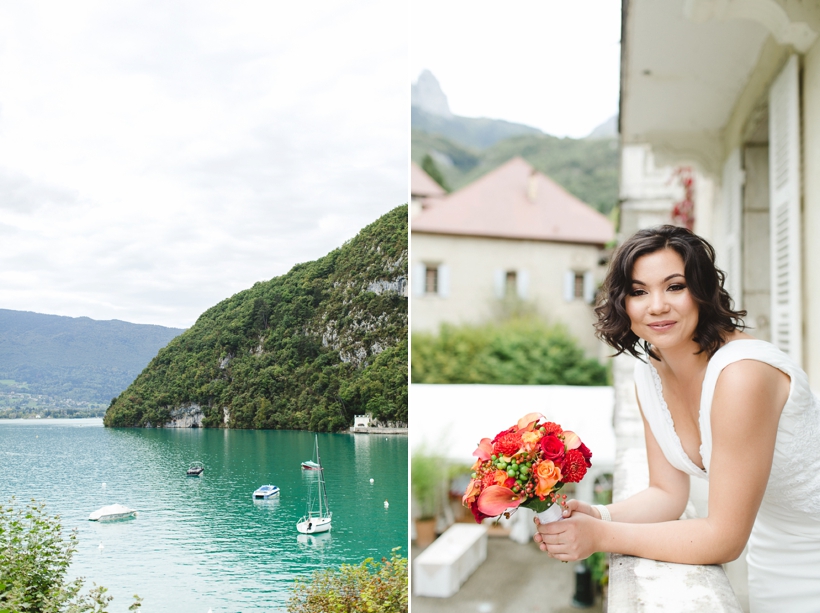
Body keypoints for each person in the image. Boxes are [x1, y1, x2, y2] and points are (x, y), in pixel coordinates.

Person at [533, 225, 820, 612]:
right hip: (773, 556)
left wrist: (601, 536)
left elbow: (724, 539)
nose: (656, 306)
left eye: (674, 286)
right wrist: (599, 514)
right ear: (623, 303)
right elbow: (667, 494)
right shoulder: (650, 370)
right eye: (638, 291)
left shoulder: (742, 376)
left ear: (702, 291)